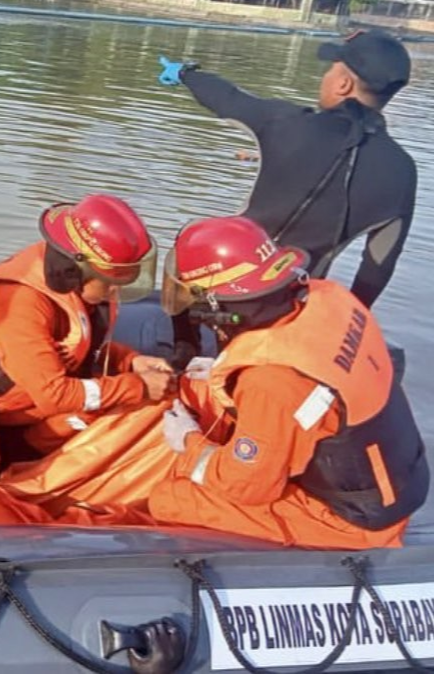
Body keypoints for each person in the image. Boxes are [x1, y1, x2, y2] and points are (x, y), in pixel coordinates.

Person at [150, 216, 428, 549]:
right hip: (390, 482)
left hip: (353, 522)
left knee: (171, 498)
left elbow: (244, 488)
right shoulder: (328, 298)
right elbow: (315, 379)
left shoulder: (270, 379)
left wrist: (190, 442)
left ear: (216, 304)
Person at [158, 30, 416, 355]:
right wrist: (345, 323)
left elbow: (228, 99)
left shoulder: (286, 122)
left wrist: (185, 73)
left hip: (224, 290)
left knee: (190, 238)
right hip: (295, 307)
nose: (325, 77)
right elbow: (377, 267)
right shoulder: (402, 171)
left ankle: (186, 347)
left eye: (331, 69)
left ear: (343, 85)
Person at [0, 195, 175, 486]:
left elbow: (77, 350)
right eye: (110, 284)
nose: (114, 293)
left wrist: (130, 361)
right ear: (76, 270)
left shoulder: (75, 290)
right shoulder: (22, 301)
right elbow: (55, 394)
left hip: (19, 397)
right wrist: (137, 386)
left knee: (104, 414)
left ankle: (15, 466)